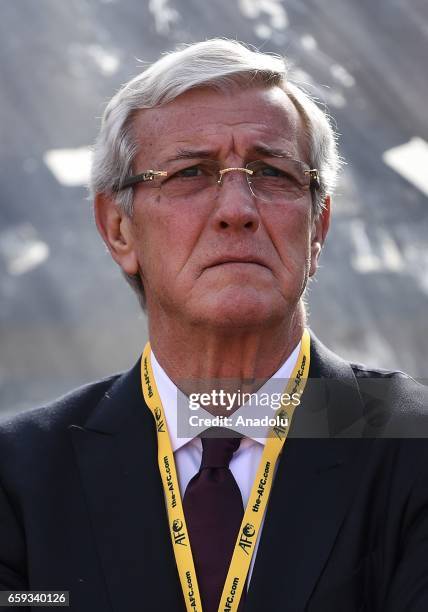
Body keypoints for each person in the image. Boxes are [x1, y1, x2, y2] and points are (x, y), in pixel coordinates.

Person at [0, 39, 427, 612]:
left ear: (317, 227)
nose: (237, 208)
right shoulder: (20, 474)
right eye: (190, 173)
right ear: (118, 228)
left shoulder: (412, 442)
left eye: (272, 172)